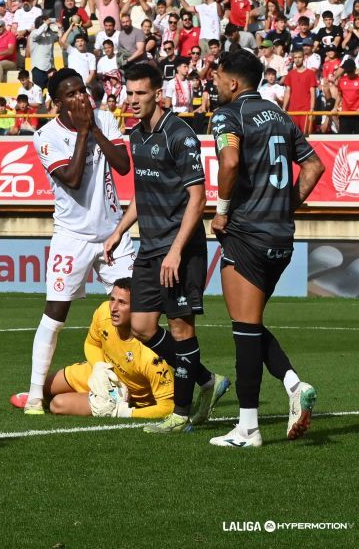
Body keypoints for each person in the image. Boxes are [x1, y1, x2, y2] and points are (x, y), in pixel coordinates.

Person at [208, 51, 325, 448]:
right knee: (251, 323)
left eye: (219, 76)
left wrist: (222, 212)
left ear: (234, 82)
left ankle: (248, 429)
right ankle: (293, 385)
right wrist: (285, 205)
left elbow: (230, 162)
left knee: (244, 329)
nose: (215, 82)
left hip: (246, 233)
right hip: (281, 236)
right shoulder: (280, 115)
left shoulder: (229, 115)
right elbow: (314, 167)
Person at [106, 63, 226, 434]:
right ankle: (207, 380)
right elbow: (143, 195)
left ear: (158, 94)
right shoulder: (136, 135)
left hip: (181, 249)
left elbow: (198, 198)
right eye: (129, 93)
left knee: (180, 328)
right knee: (141, 326)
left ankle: (180, 412)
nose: (133, 100)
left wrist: (176, 250)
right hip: (150, 247)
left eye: (140, 94)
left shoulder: (180, 134)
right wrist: (118, 231)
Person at [21, 68, 133, 415]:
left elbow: (123, 165)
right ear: (57, 103)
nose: (80, 97)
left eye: (81, 90)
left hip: (113, 233)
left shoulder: (103, 118)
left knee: (134, 310)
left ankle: (137, 384)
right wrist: (84, 132)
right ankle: (35, 396)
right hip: (71, 236)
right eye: (70, 94)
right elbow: (71, 178)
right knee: (56, 314)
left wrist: (94, 128)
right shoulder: (45, 137)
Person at [12, 278, 176, 419]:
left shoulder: (153, 357)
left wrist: (126, 413)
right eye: (113, 299)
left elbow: (167, 407)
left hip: (124, 395)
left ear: (138, 308)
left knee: (58, 404)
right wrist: (99, 367)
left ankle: (97, 400)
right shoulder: (104, 311)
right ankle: (78, 395)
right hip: (104, 370)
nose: (114, 308)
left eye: (122, 303)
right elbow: (92, 343)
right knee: (45, 385)